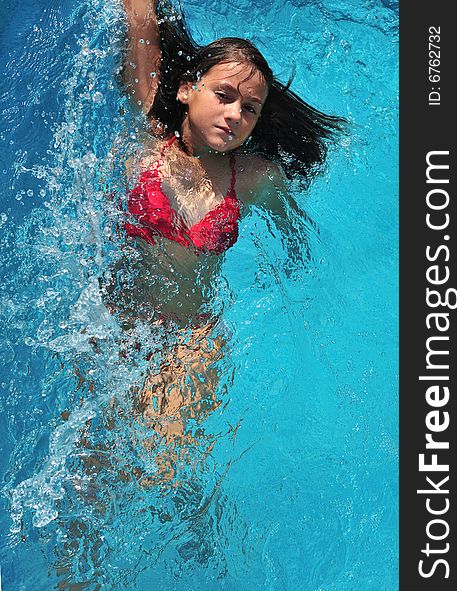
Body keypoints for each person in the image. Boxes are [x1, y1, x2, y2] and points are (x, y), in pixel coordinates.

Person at [105, 0, 345, 481]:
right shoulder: (150, 139)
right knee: (94, 469)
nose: (235, 113)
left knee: (163, 468)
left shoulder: (256, 179)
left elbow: (294, 233)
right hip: (116, 322)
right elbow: (140, 28)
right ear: (185, 91)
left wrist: (306, 282)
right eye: (224, 95)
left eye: (250, 109)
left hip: (192, 335)